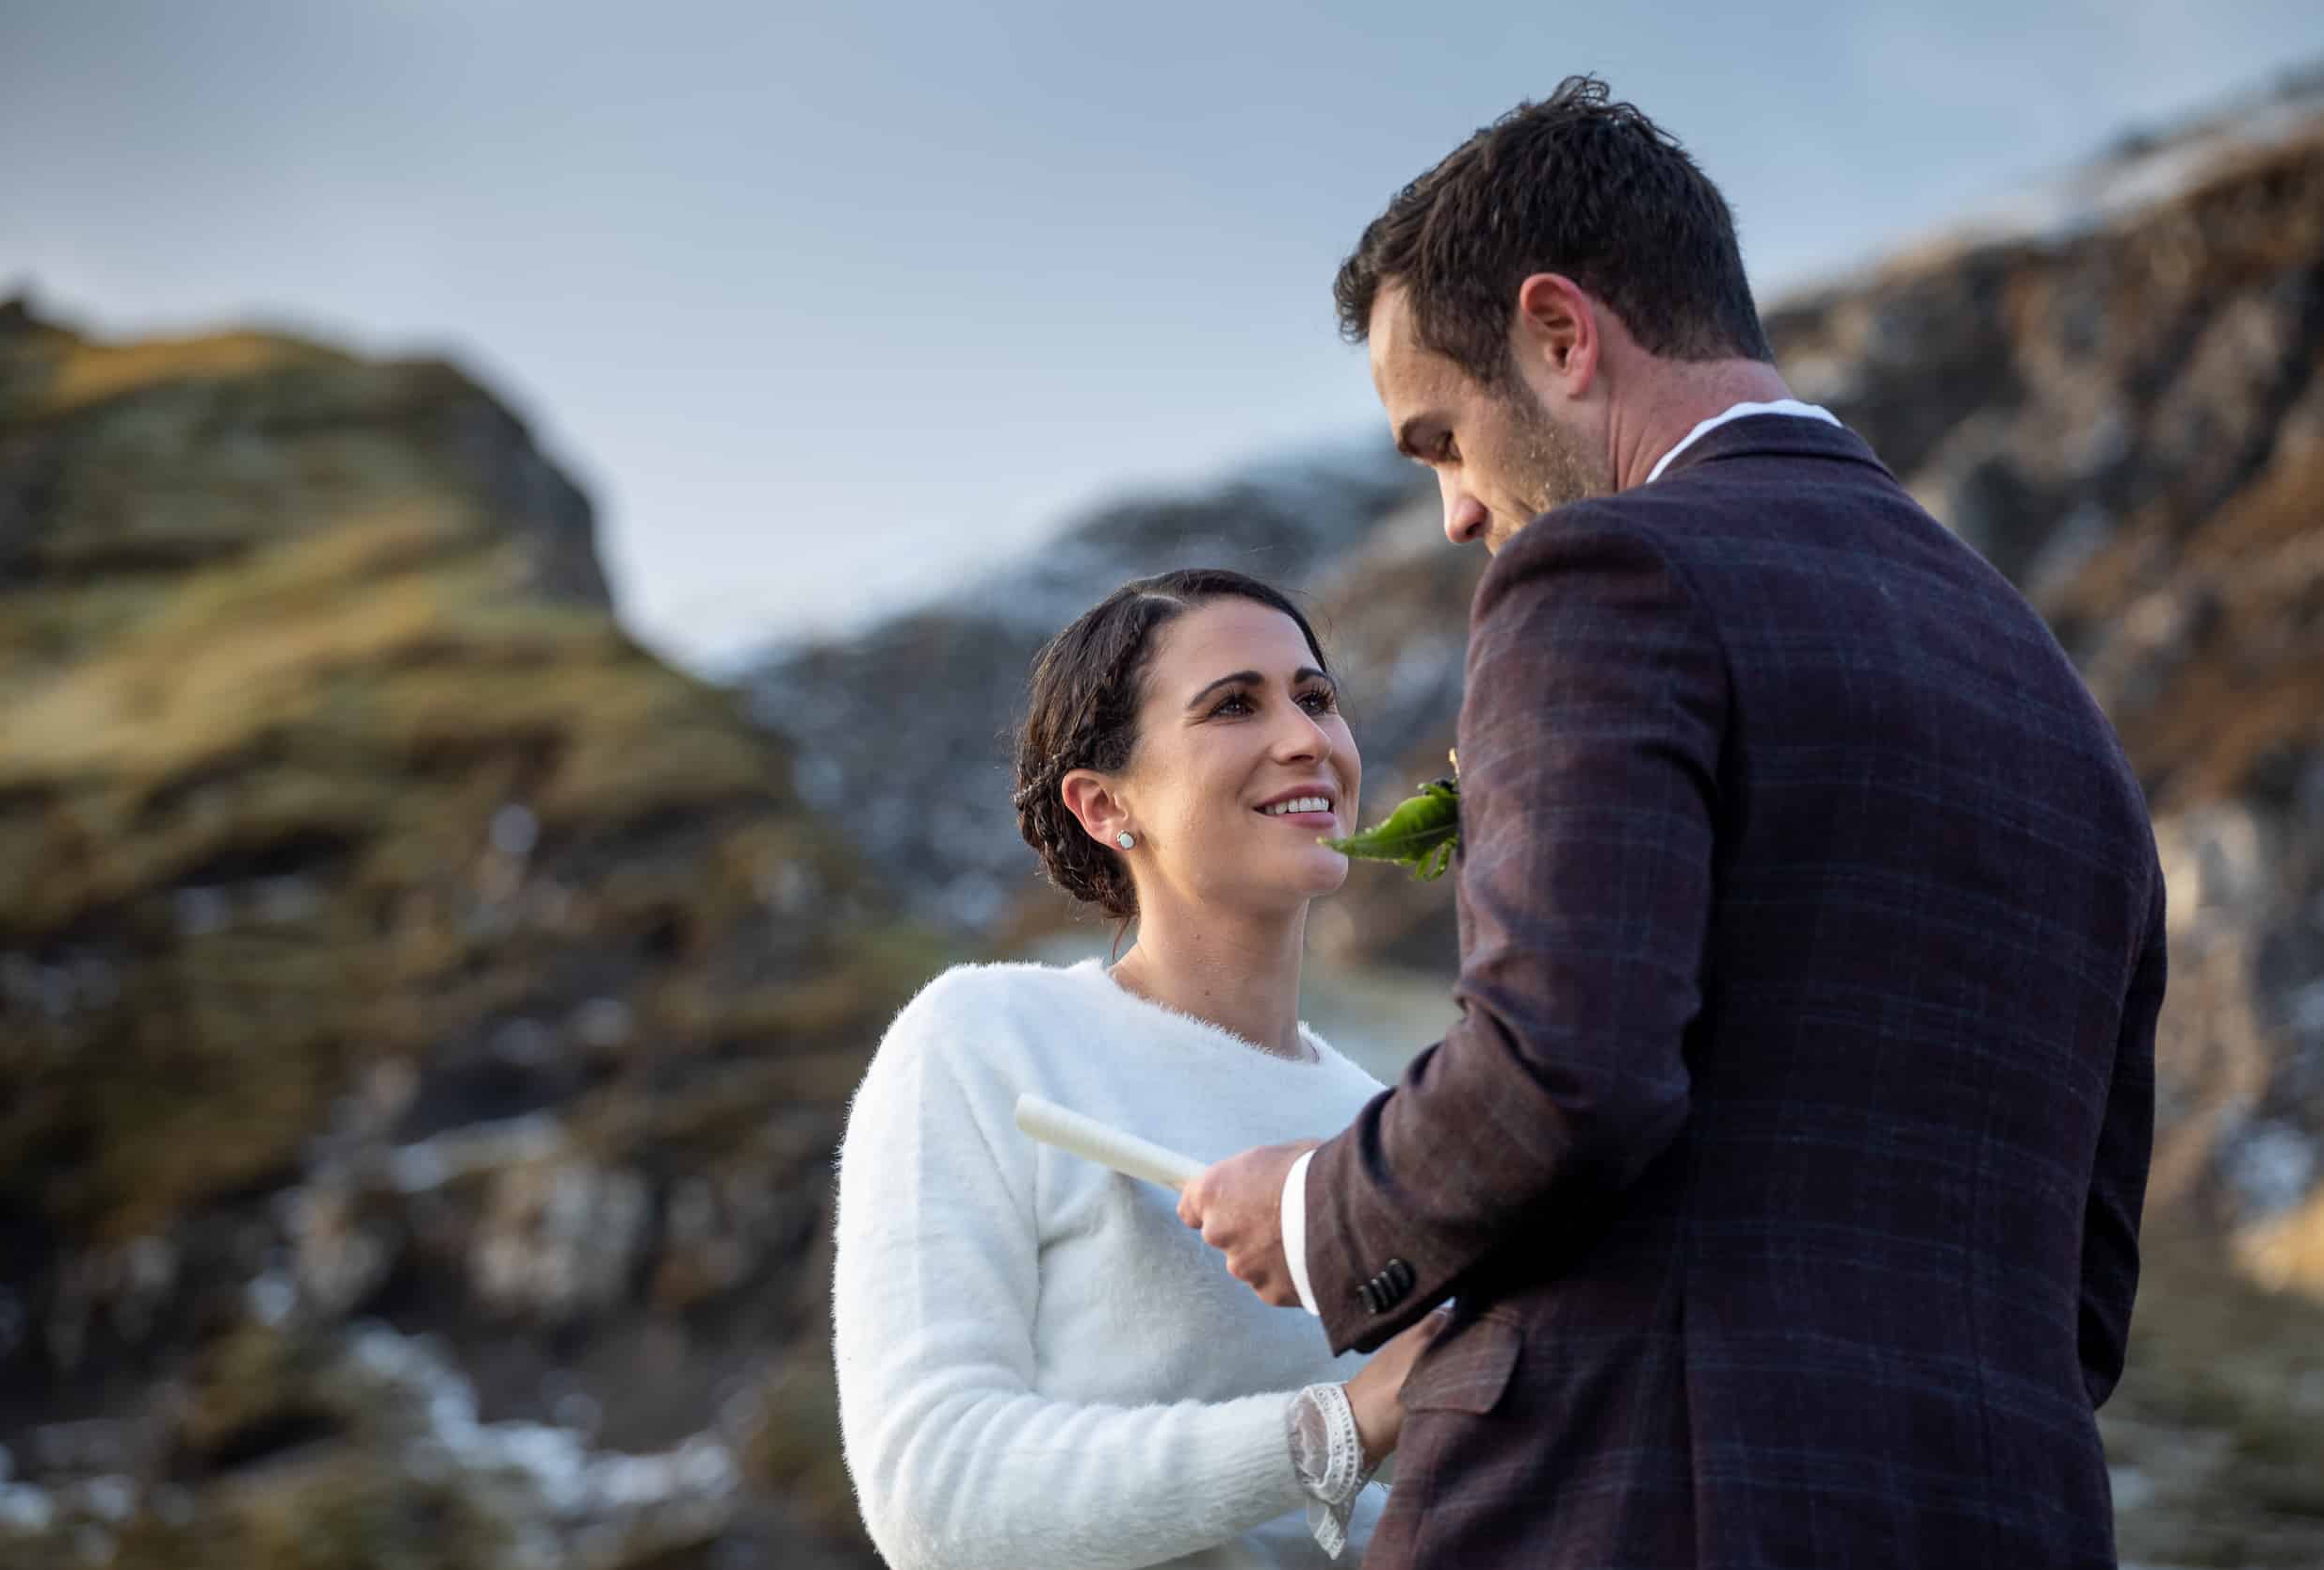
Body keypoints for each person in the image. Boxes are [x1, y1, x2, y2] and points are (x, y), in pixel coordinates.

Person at [1180, 76, 2166, 1569]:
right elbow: (2084, 1292)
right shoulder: (2056, 697)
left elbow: (1567, 1069)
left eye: (1441, 436)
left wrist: (1317, 1207)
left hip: (1642, 1510)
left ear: (1561, 336)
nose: (1454, 510)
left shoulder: (1607, 576)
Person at [833, 568, 1445, 1570]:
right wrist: (1340, 1422)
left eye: (1317, 696)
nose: (1306, 738)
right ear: (1105, 804)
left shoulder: (1380, 1122)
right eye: (1234, 704)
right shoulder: (986, 1038)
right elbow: (931, 1492)